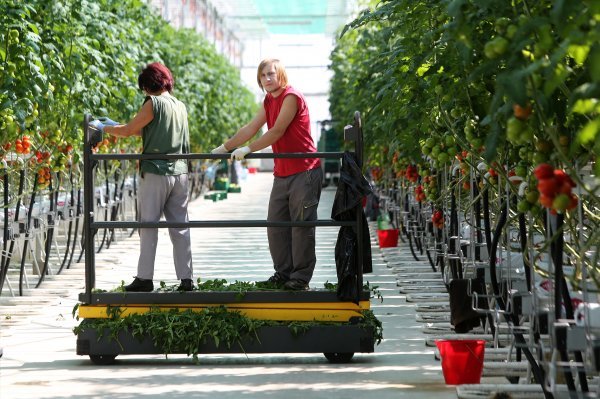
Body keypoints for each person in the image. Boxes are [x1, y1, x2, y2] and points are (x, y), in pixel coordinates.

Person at [211, 58, 322, 291]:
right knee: (276, 225)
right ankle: (283, 274)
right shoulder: (268, 100)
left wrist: (249, 149)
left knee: (301, 226)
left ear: (280, 74)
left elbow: (277, 131)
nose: (267, 79)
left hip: (304, 170)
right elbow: (251, 128)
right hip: (282, 173)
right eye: (263, 76)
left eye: (271, 74)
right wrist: (226, 147)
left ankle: (300, 279)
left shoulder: (291, 97)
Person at [89, 62, 193, 292]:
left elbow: (128, 131)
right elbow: (140, 128)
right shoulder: (179, 105)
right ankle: (187, 279)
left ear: (148, 84)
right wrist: (114, 124)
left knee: (149, 226)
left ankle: (145, 278)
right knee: (180, 227)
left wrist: (101, 127)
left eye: (144, 87)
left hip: (156, 172)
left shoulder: (153, 103)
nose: (144, 92)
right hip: (180, 173)